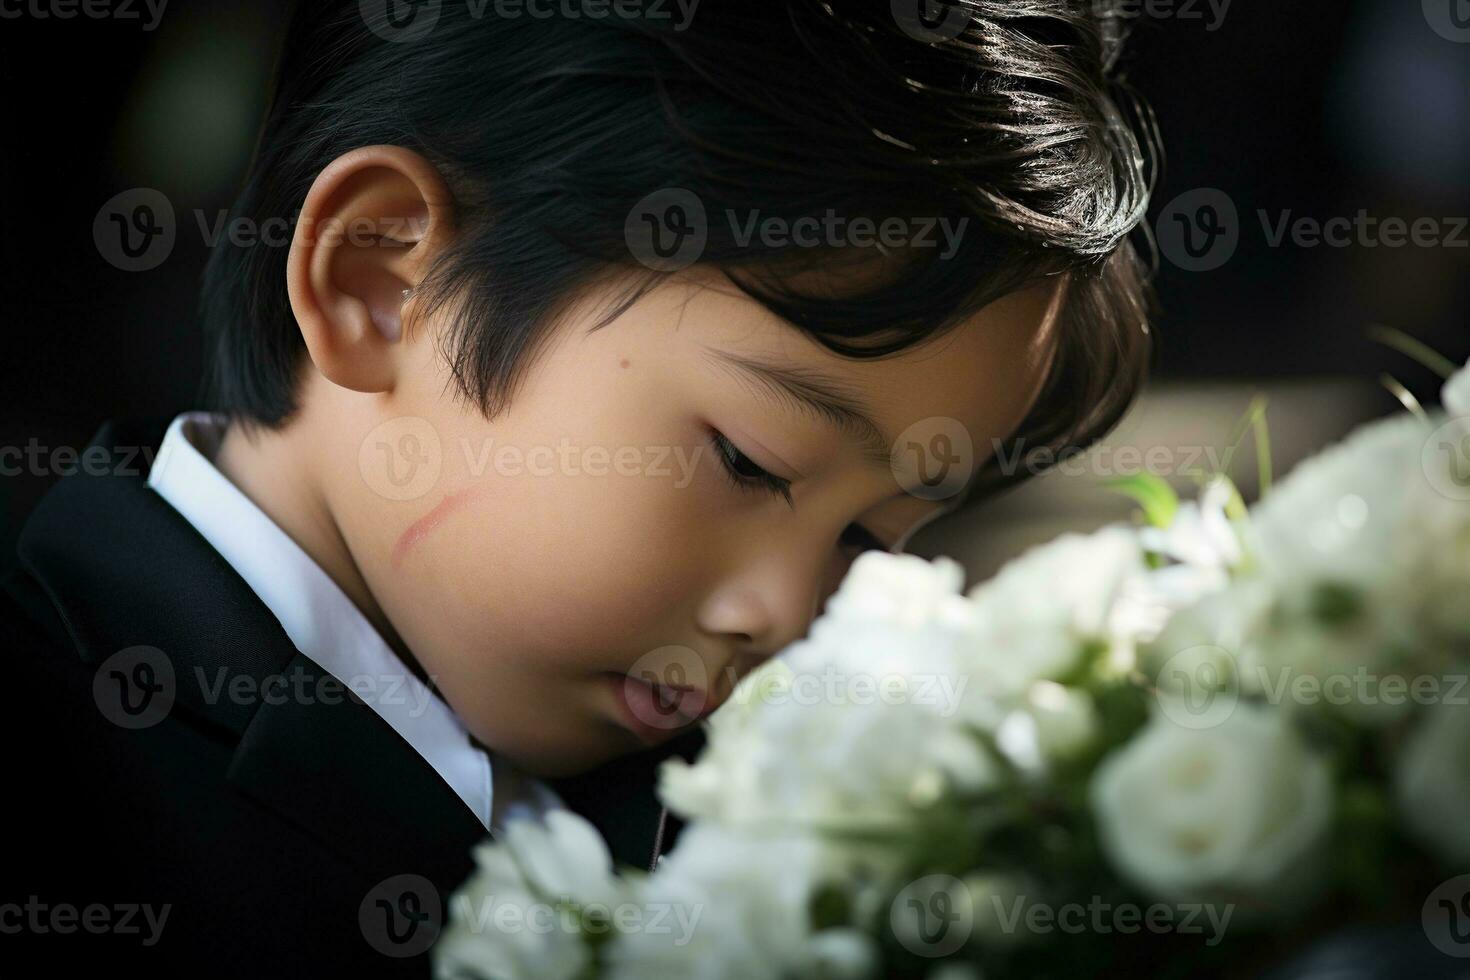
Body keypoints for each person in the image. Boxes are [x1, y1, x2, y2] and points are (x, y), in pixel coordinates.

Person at [0, 0, 1154, 974]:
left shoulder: (764, 825)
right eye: (751, 461)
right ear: (382, 282)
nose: (785, 614)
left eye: (869, 535)